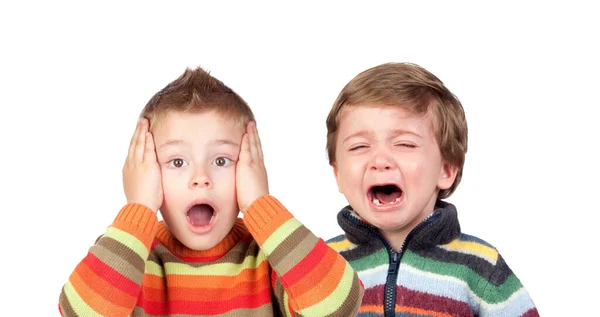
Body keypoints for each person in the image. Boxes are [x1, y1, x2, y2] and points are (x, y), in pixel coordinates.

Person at [58, 67, 363, 316]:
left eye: (221, 160)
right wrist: (139, 206)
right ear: (147, 171)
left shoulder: (272, 255)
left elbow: (338, 306)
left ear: (249, 168)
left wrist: (260, 203)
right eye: (177, 161)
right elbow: (82, 313)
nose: (201, 178)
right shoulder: (129, 253)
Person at [325, 62, 539, 316]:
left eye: (404, 144)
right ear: (338, 174)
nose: (380, 161)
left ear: (446, 170)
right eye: (359, 147)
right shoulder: (323, 266)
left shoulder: (480, 267)